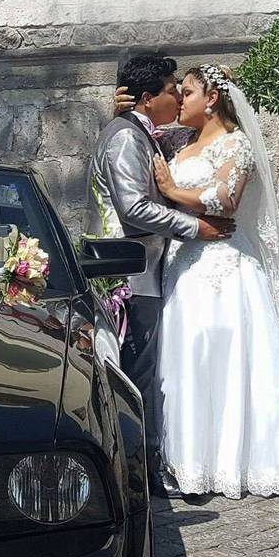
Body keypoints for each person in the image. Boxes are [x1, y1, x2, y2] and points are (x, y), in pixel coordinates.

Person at [119, 64, 279, 498]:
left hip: (226, 264)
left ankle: (242, 459)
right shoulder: (181, 141)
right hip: (183, 267)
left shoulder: (238, 145)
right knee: (185, 360)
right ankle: (191, 463)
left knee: (231, 358)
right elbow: (140, 130)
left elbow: (225, 201)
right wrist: (121, 110)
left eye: (187, 92)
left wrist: (173, 192)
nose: (179, 100)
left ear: (211, 99)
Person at [86, 55, 235, 496]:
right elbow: (133, 208)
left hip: (144, 271)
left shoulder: (140, 133)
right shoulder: (125, 139)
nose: (177, 95)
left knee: (144, 372)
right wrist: (196, 227)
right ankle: (135, 473)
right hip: (129, 274)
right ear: (150, 99)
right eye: (173, 89)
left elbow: (201, 131)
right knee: (136, 374)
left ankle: (145, 463)